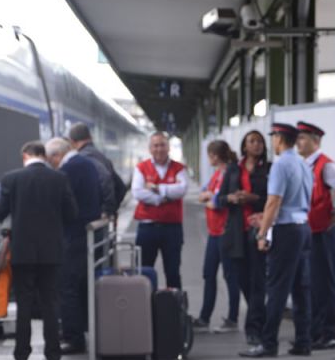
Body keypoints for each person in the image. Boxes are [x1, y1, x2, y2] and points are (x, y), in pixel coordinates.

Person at [0, 141, 78, 360]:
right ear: (44, 156)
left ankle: (21, 359)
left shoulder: (11, 179)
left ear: (25, 156)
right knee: (50, 304)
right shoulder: (59, 179)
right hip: (51, 252)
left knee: (24, 304)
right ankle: (54, 358)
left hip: (23, 252)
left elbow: (0, 212)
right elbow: (72, 214)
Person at [239, 123, 313, 358]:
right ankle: (303, 341)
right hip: (303, 227)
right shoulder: (302, 162)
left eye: (273, 138)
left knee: (277, 287)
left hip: (286, 231)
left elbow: (273, 202)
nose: (271, 142)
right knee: (301, 288)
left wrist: (262, 232)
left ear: (279, 139)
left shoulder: (281, 164)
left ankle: (268, 343)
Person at [45, 137, 102, 355]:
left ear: (56, 156)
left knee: (67, 287)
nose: (52, 165)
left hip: (73, 235)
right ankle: (79, 330)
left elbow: (64, 205)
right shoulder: (86, 164)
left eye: (51, 161)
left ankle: (73, 338)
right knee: (79, 286)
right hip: (85, 234)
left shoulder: (69, 170)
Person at [218, 130, 271, 345]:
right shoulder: (233, 169)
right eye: (252, 141)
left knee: (257, 280)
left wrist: (253, 198)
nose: (256, 145)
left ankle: (253, 328)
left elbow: (273, 198)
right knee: (242, 279)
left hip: (258, 230)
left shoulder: (269, 169)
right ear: (244, 146)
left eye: (259, 141)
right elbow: (220, 198)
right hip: (236, 233)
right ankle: (259, 316)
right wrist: (231, 198)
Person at [296, 121, 335, 350]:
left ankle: (331, 331)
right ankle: (316, 331)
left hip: (324, 232)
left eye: (303, 138)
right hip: (310, 230)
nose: (298, 142)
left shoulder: (326, 166)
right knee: (312, 282)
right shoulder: (305, 165)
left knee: (325, 282)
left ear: (316, 141)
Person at [193, 140, 241, 332]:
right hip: (214, 232)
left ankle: (232, 318)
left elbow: (217, 201)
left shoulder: (230, 172)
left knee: (230, 276)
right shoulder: (216, 175)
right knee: (209, 273)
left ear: (214, 156)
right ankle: (205, 318)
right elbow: (202, 195)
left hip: (225, 232)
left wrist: (211, 198)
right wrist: (211, 197)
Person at [132, 132, 188, 288]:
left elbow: (182, 189)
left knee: (173, 272)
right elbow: (137, 192)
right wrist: (162, 198)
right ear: (150, 148)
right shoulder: (141, 168)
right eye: (155, 145)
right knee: (144, 270)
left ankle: (174, 310)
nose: (159, 149)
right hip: (147, 228)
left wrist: (156, 188)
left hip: (172, 228)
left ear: (168, 147)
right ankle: (145, 308)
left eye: (162, 145)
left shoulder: (179, 168)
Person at [68, 122, 127, 216]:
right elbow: (121, 188)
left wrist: (106, 210)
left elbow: (105, 177)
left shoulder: (82, 159)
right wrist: (112, 209)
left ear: (72, 142)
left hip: (92, 220)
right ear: (90, 137)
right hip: (100, 220)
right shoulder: (102, 157)